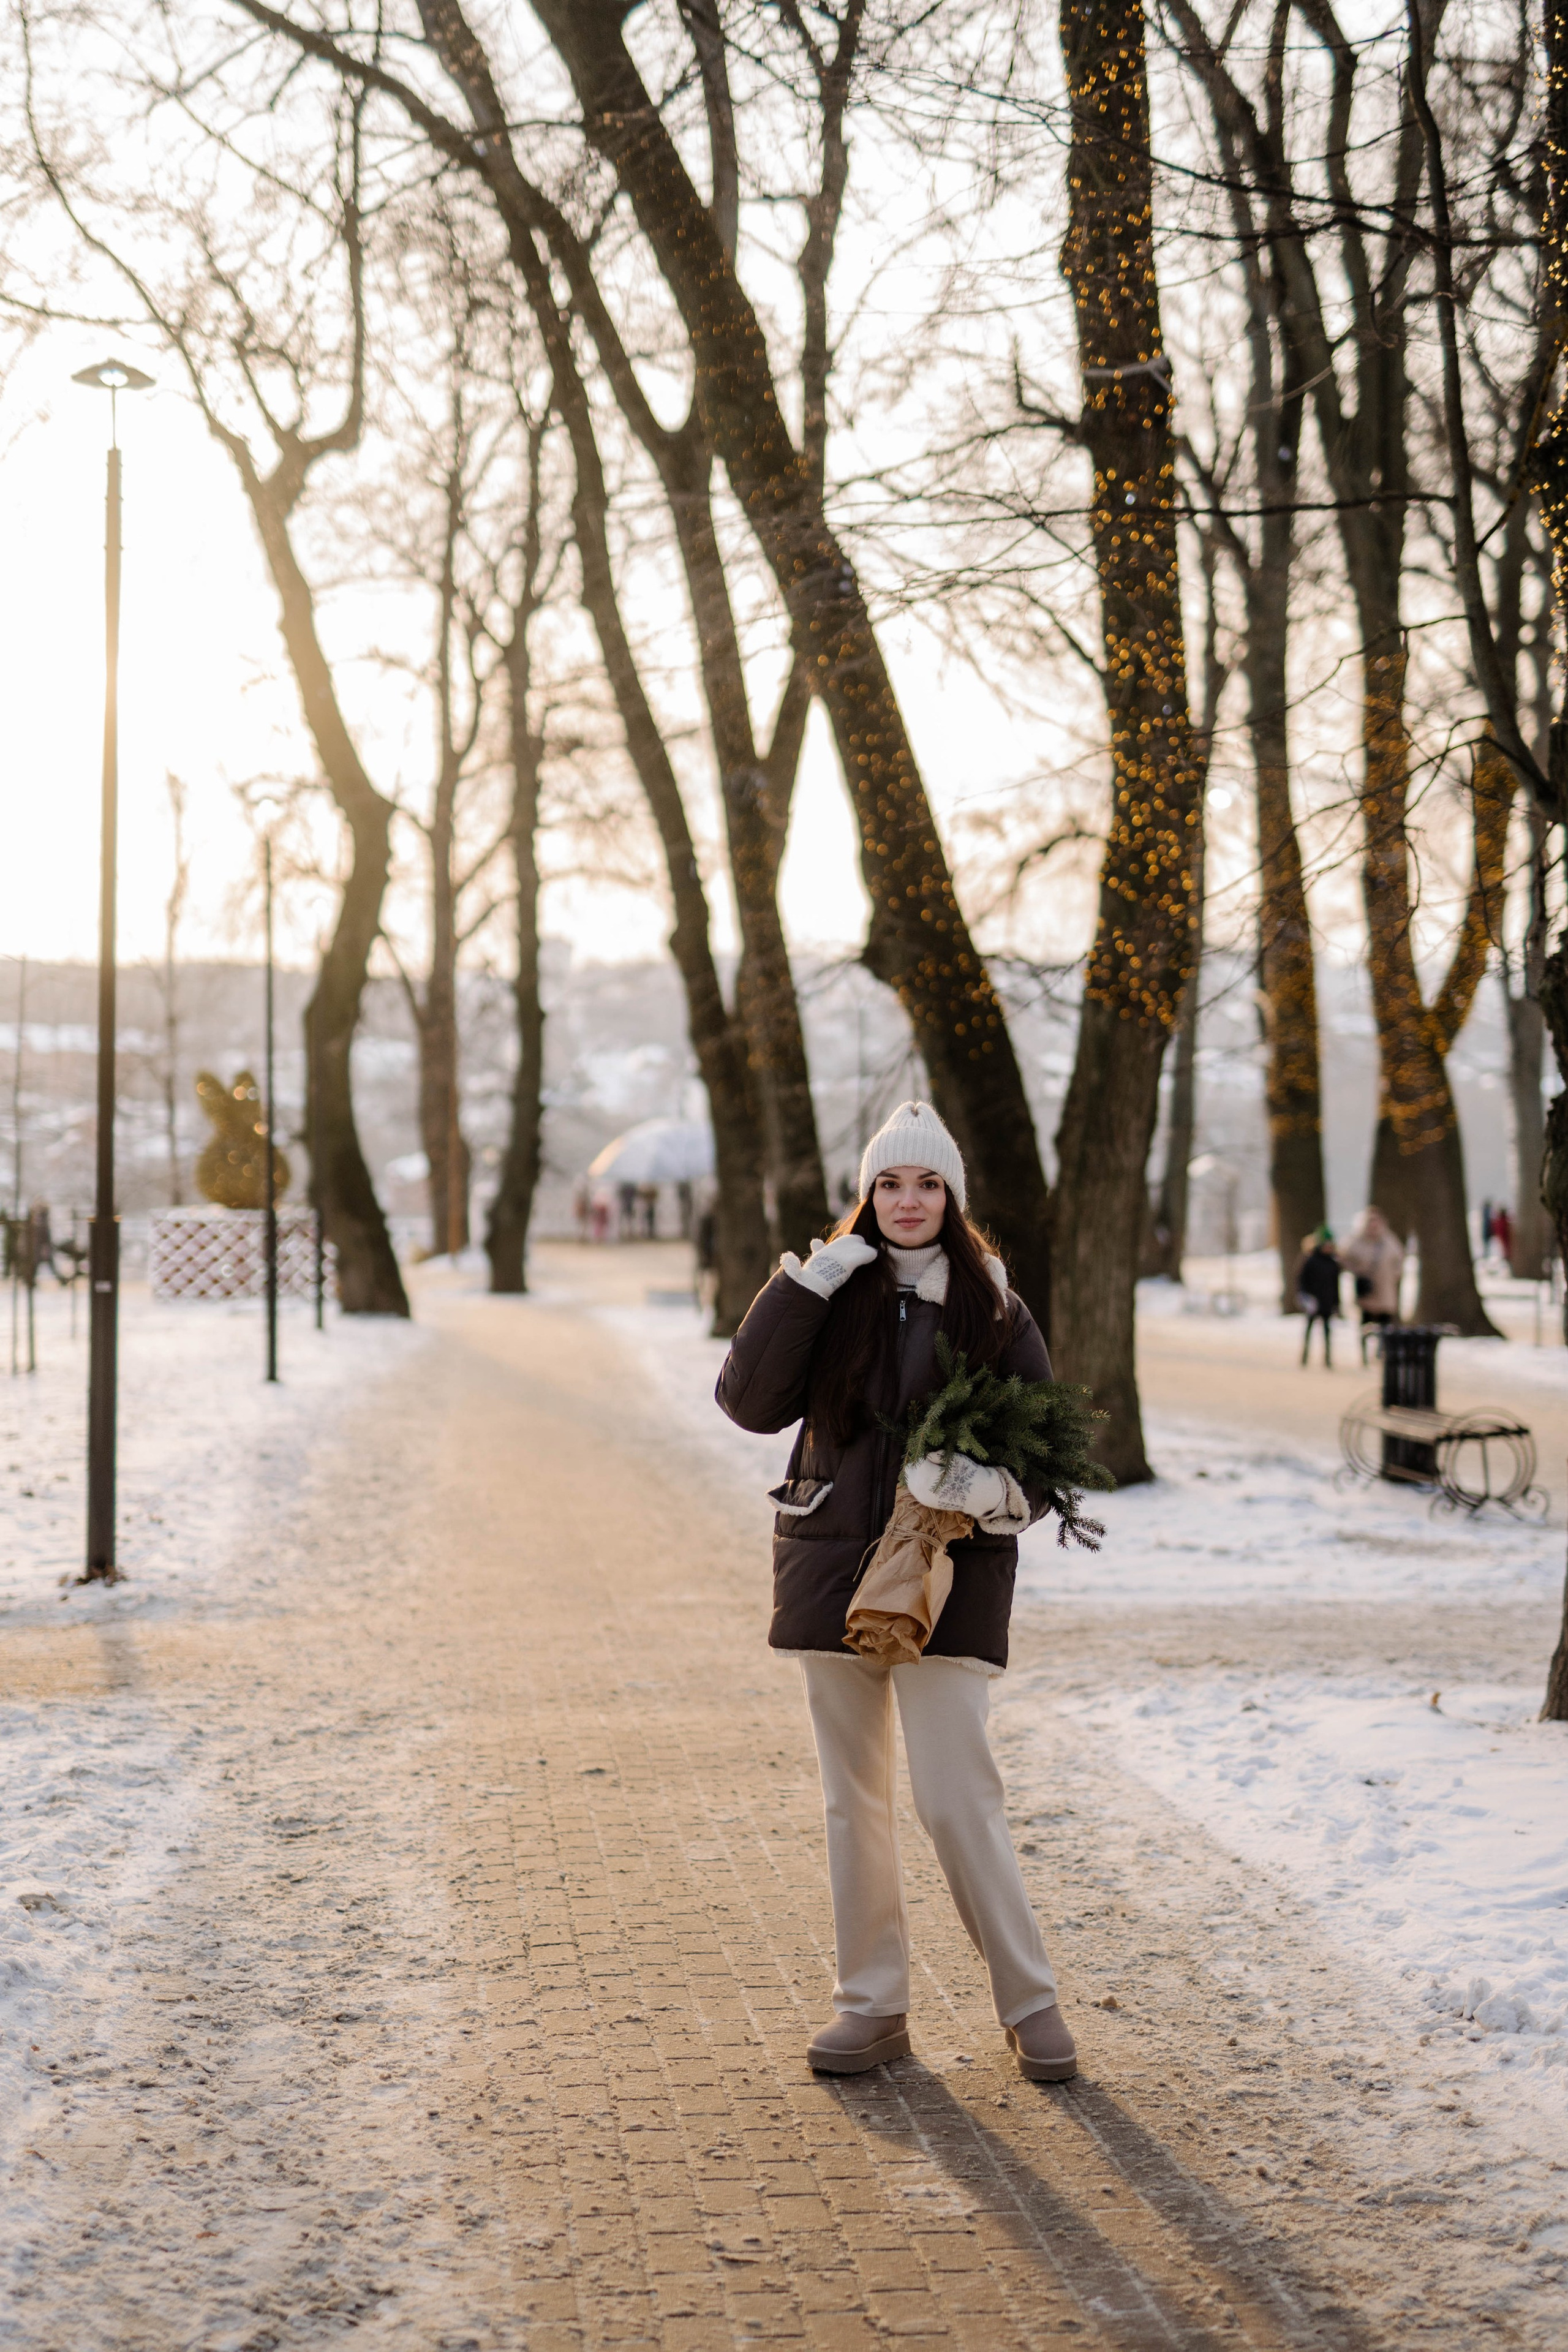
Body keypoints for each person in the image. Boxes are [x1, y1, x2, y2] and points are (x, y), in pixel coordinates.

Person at [715, 1101, 1076, 2085]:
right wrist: (802, 1286)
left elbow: (1046, 1457)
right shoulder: (832, 1294)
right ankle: (871, 2007)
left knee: (956, 1797)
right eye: (889, 1183)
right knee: (854, 1802)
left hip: (948, 1579)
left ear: (951, 1197)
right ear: (866, 1194)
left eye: (926, 1184)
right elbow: (747, 1402)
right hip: (832, 1564)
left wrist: (986, 1489)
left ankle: (1030, 2000)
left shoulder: (994, 1306)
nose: (907, 1201)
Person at [1340, 1205, 1404, 1363]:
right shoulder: (1356, 1241)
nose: (1374, 1226)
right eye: (1370, 1222)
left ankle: (1381, 1351)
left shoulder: (1389, 1241)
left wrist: (1395, 1274)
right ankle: (1363, 1354)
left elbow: (1399, 1260)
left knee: (1385, 1324)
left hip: (1385, 1289)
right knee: (1365, 1323)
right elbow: (1344, 1257)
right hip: (1367, 1289)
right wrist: (1357, 1271)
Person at [1294, 1226, 1341, 1367]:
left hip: (1327, 1301)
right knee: (1309, 1329)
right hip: (1313, 1301)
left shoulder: (1333, 1263)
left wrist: (1337, 1303)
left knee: (1327, 1331)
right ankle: (1305, 1356)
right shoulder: (1310, 1261)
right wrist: (1304, 1297)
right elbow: (1302, 1281)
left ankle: (1327, 1358)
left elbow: (1336, 1285)